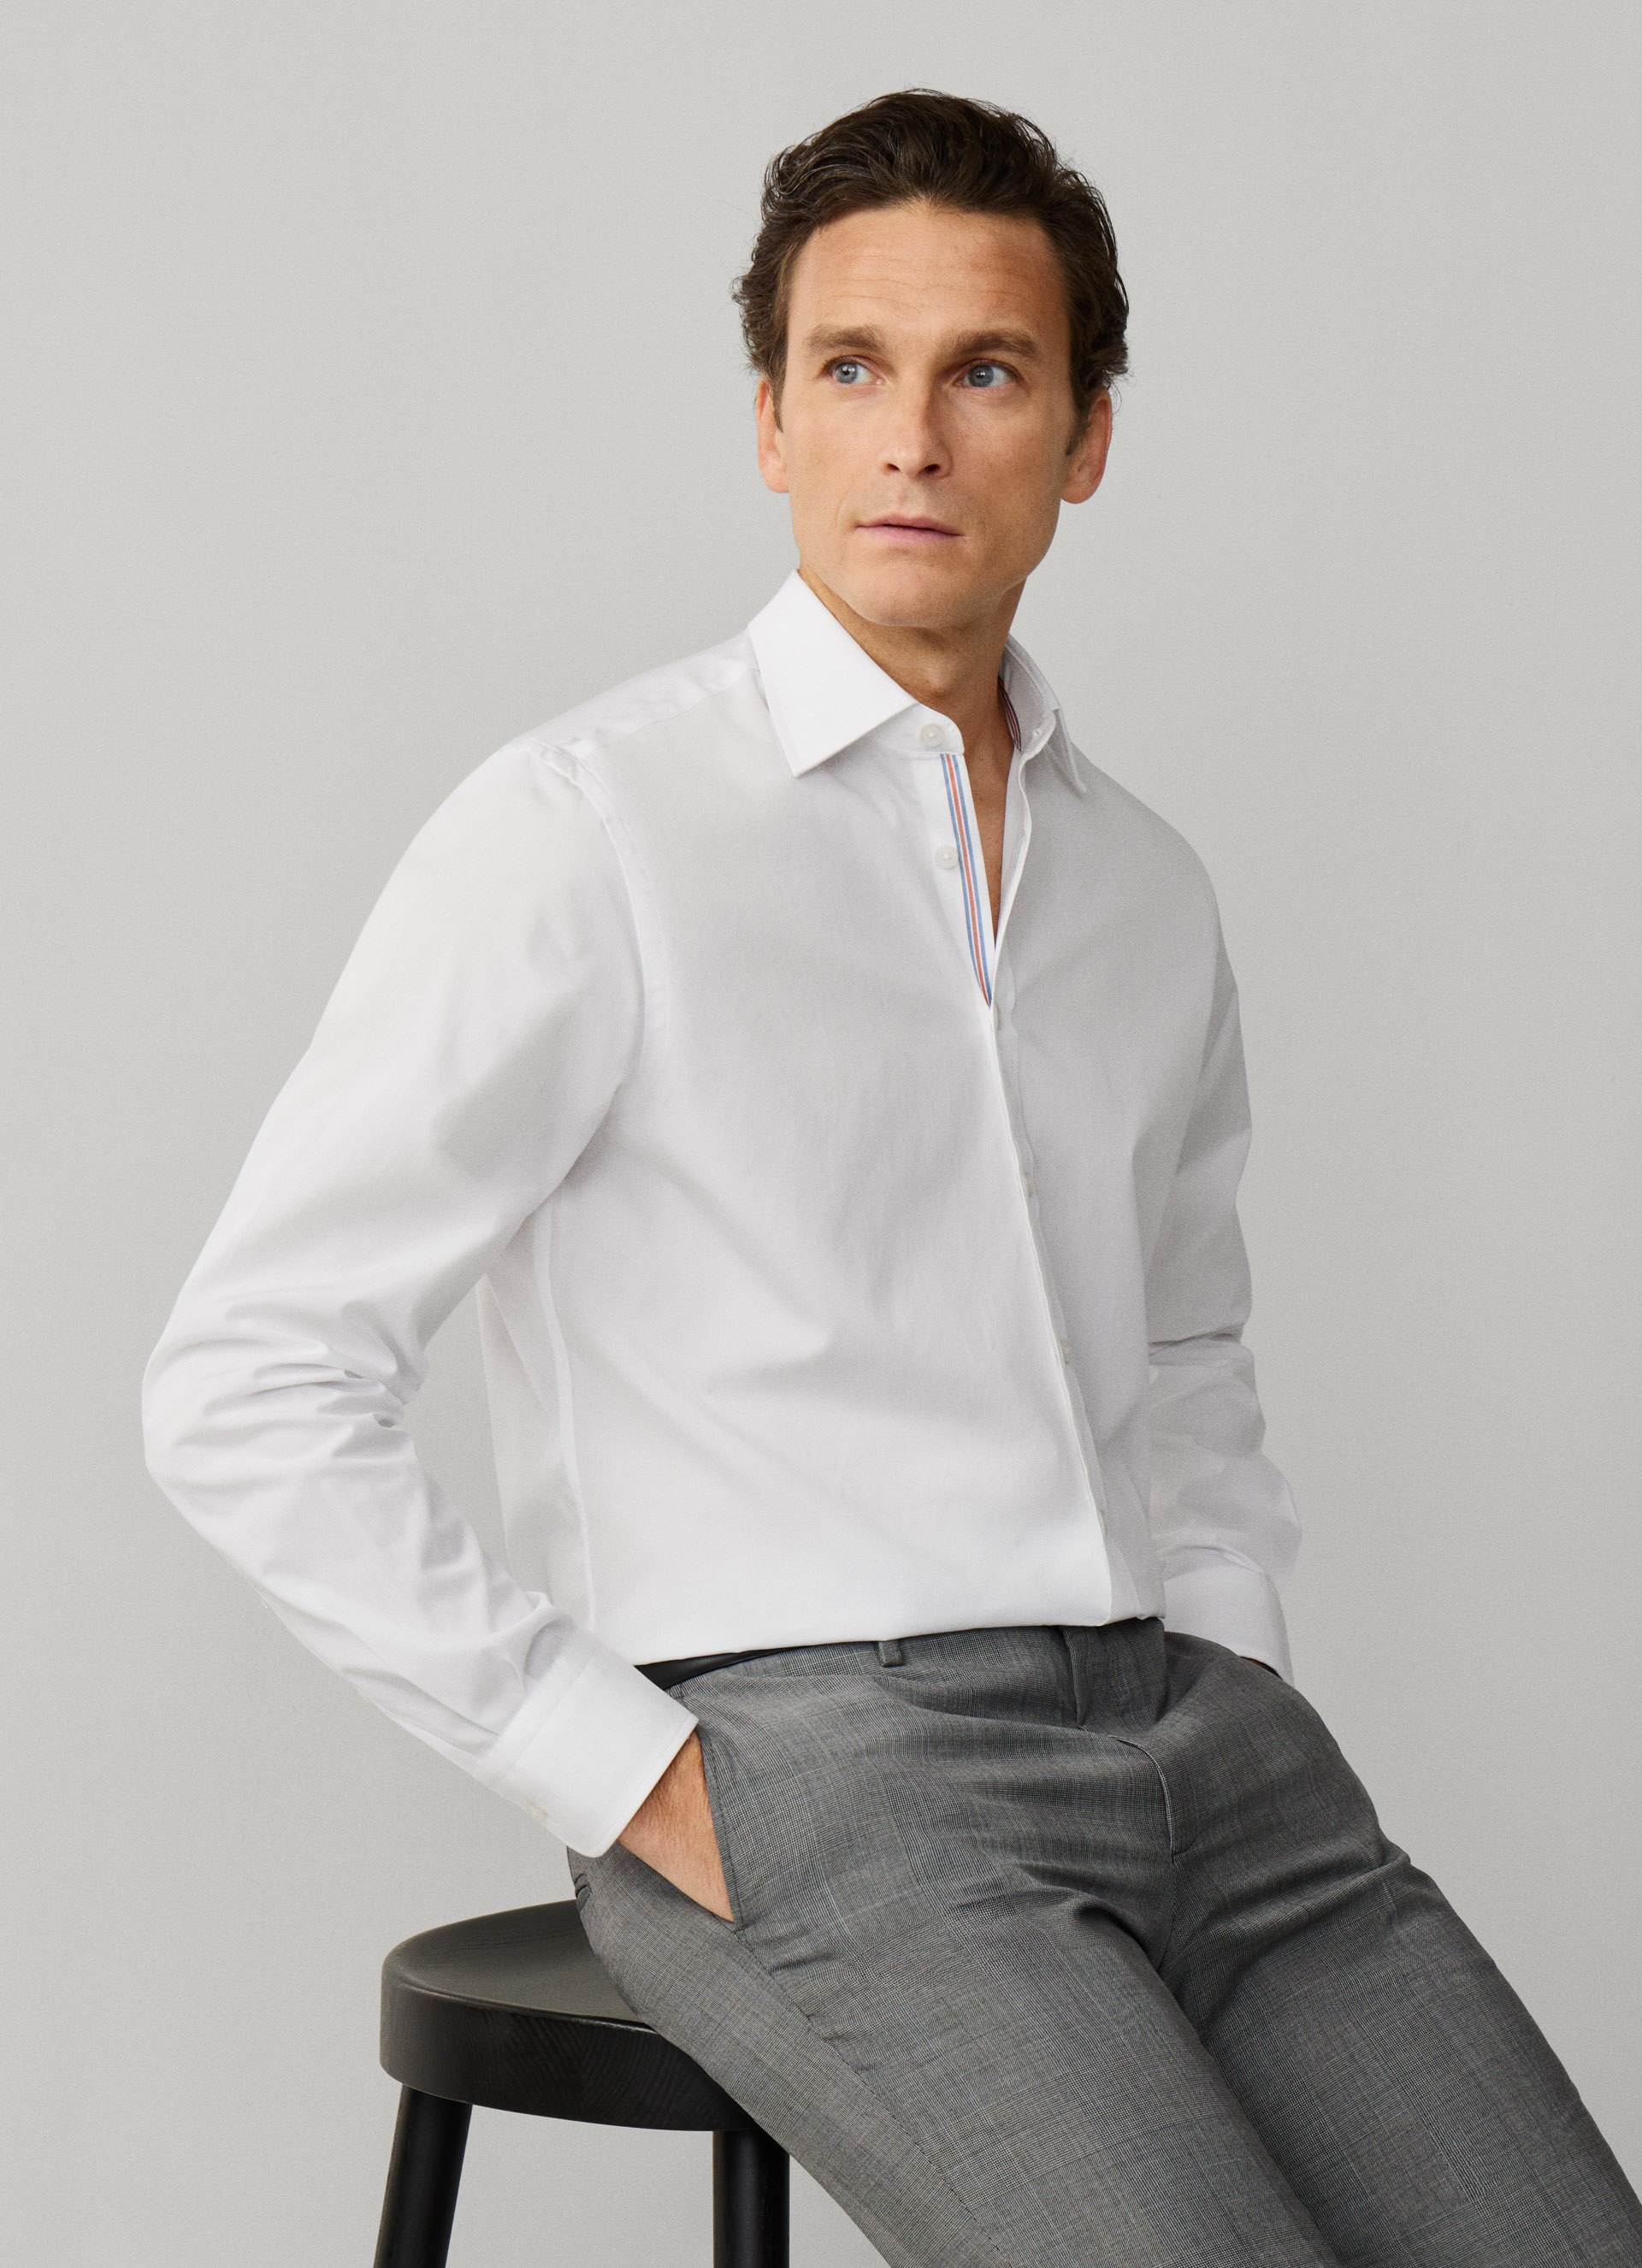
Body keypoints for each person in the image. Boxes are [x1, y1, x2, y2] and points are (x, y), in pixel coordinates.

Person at [143, 88, 1640, 2268]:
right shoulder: (587, 834)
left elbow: (1187, 1342)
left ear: (1086, 436)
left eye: (988, 373)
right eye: (853, 369)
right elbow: (249, 1376)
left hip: (1202, 1743)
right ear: (772, 422)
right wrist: (623, 1769)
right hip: (821, 1772)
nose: (914, 440)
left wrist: (1234, 1655)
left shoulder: (1147, 891)